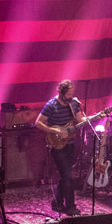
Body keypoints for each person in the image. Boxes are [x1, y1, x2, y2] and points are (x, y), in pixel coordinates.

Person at [35, 79, 85, 216]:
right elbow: (38, 123)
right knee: (68, 176)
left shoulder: (73, 103)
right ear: (61, 93)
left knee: (65, 175)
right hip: (56, 144)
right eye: (68, 95)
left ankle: (56, 203)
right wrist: (56, 131)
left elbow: (81, 121)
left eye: (72, 94)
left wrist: (97, 117)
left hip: (70, 143)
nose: (70, 97)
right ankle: (70, 207)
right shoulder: (51, 105)